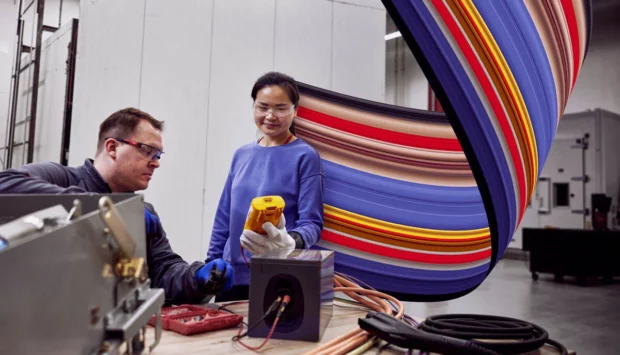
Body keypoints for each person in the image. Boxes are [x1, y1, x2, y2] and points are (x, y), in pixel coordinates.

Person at [0, 108, 233, 305]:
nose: (156, 163)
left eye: (159, 154)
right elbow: (5, 184)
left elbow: (164, 272)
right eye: (147, 151)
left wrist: (198, 278)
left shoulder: (143, 212)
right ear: (112, 147)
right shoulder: (61, 179)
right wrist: (103, 208)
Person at [207, 72, 325, 301]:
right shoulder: (241, 155)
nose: (270, 116)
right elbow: (224, 216)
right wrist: (212, 263)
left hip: (277, 274)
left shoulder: (306, 157)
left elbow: (312, 223)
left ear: (295, 111)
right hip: (231, 277)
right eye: (263, 107)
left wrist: (290, 241)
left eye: (281, 108)